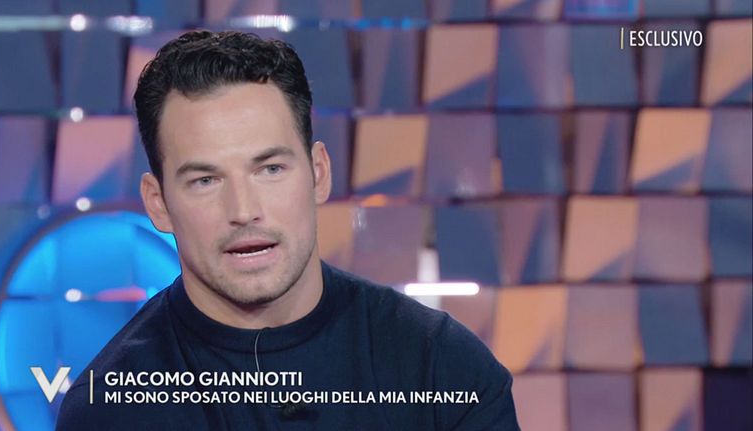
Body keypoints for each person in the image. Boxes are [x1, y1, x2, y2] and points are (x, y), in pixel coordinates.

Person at [56, 30, 520, 430]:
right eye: (205, 180)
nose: (244, 210)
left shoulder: (443, 369)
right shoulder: (110, 411)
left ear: (318, 173)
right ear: (158, 203)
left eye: (270, 169)